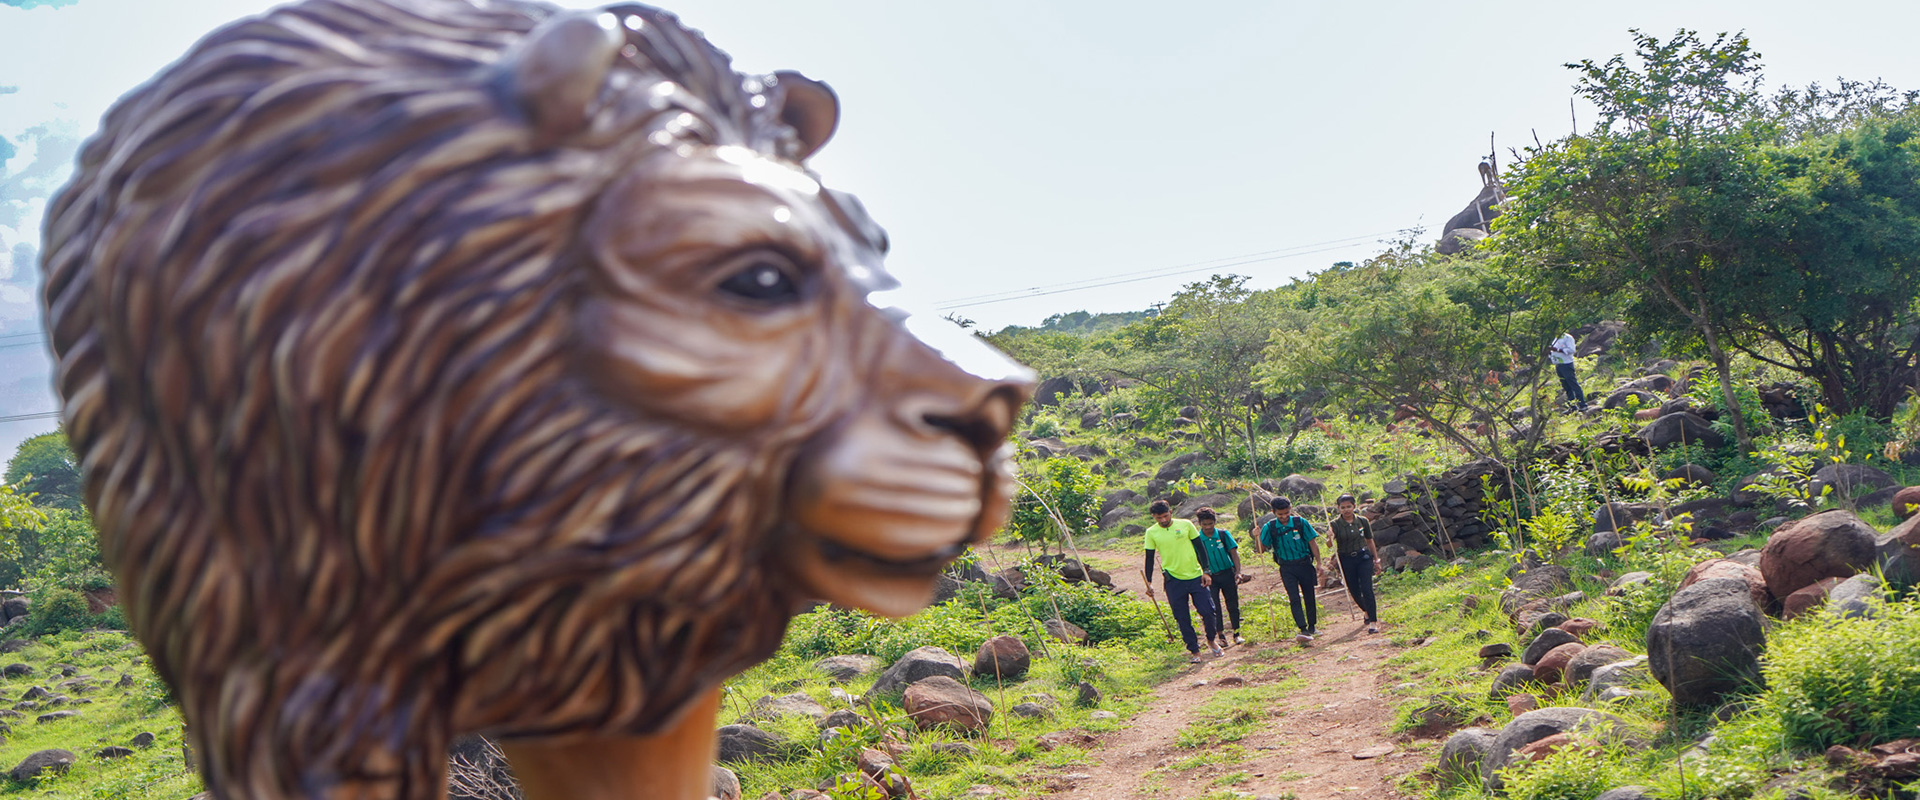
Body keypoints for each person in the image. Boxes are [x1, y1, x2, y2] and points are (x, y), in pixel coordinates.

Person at [1143, 500, 1224, 663]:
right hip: (1173, 580)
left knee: (1208, 610)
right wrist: (1149, 582)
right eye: (1159, 518)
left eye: (1165, 516)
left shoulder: (1186, 525)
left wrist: (1206, 571)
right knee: (1182, 617)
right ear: (1153, 517)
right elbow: (1149, 558)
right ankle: (1194, 650)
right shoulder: (1151, 533)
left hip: (1195, 576)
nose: (1163, 520)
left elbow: (1200, 549)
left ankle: (1211, 640)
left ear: (1171, 512)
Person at [1255, 496, 1321, 642]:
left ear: (1290, 510)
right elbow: (1261, 549)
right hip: (1286, 567)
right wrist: (1257, 537)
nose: (1284, 517)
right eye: (1280, 514)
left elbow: (1313, 543)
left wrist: (1319, 563)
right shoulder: (1270, 527)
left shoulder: (1300, 523)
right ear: (1273, 512)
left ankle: (1312, 626)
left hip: (1304, 564)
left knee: (1309, 595)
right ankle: (1302, 628)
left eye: (1286, 513)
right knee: (1294, 598)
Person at [1328, 494, 1382, 634]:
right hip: (1346, 559)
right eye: (1343, 507)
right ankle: (1366, 610)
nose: (1346, 510)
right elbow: (1329, 545)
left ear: (1354, 506)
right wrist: (1329, 537)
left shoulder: (1362, 521)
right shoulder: (1334, 524)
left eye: (1349, 507)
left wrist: (1376, 559)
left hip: (1363, 557)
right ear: (1338, 508)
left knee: (1367, 588)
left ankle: (1373, 622)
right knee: (1354, 590)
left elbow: (1369, 541)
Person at [1194, 508, 1244, 647]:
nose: (1208, 527)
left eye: (1211, 524)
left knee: (1233, 604)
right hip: (1210, 578)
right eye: (1205, 524)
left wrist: (1237, 572)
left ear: (1215, 522)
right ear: (1200, 524)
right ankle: (1221, 636)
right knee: (1214, 607)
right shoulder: (1197, 540)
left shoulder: (1223, 534)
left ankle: (1237, 633)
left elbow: (1234, 554)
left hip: (1227, 573)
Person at [1550, 332, 1586, 409]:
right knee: (1566, 386)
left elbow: (1572, 350)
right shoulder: (1556, 337)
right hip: (1558, 364)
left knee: (1573, 384)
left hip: (1566, 363)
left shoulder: (1568, 337)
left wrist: (1558, 350)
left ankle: (1582, 404)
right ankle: (1572, 406)